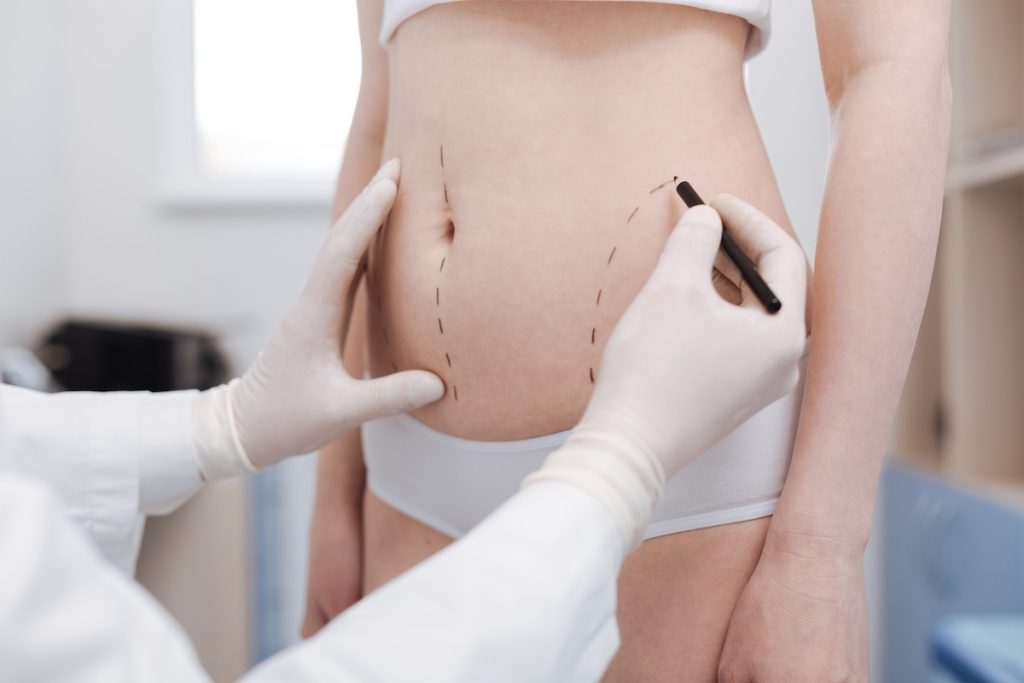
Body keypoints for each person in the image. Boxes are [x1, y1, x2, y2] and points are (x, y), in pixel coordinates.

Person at [304, 1, 952, 679]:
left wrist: (822, 552)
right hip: (408, 473)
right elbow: (374, 118)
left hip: (688, 480)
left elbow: (892, 72)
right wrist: (334, 494)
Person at [0, 161, 806, 681]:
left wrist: (220, 426)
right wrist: (618, 460)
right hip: (418, 460)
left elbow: (893, 81)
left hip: (699, 444)